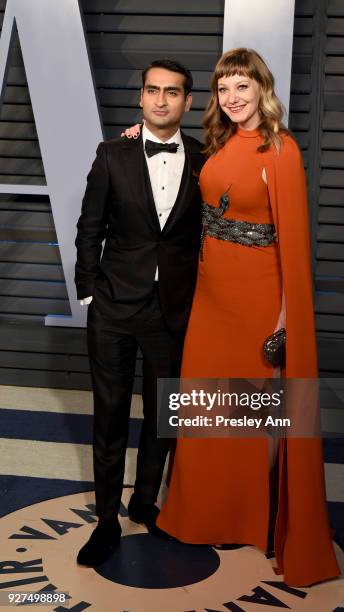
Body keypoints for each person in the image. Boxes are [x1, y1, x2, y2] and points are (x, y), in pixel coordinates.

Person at [124, 48, 341, 587]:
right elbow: (180, 166)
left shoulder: (280, 149)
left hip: (257, 298)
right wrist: (138, 138)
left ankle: (252, 521)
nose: (233, 97)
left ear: (262, 89)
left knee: (251, 414)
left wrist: (285, 321)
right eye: (225, 88)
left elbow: (292, 242)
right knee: (204, 408)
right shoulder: (218, 143)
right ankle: (200, 515)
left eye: (243, 86)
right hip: (210, 297)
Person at [74, 59, 205, 566]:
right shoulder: (112, 154)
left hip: (171, 310)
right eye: (152, 90)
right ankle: (106, 520)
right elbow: (90, 226)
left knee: (163, 416)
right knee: (109, 416)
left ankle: (146, 501)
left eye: (172, 92)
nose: (161, 99)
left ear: (187, 102)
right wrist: (89, 291)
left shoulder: (204, 157)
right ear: (140, 97)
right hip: (112, 307)